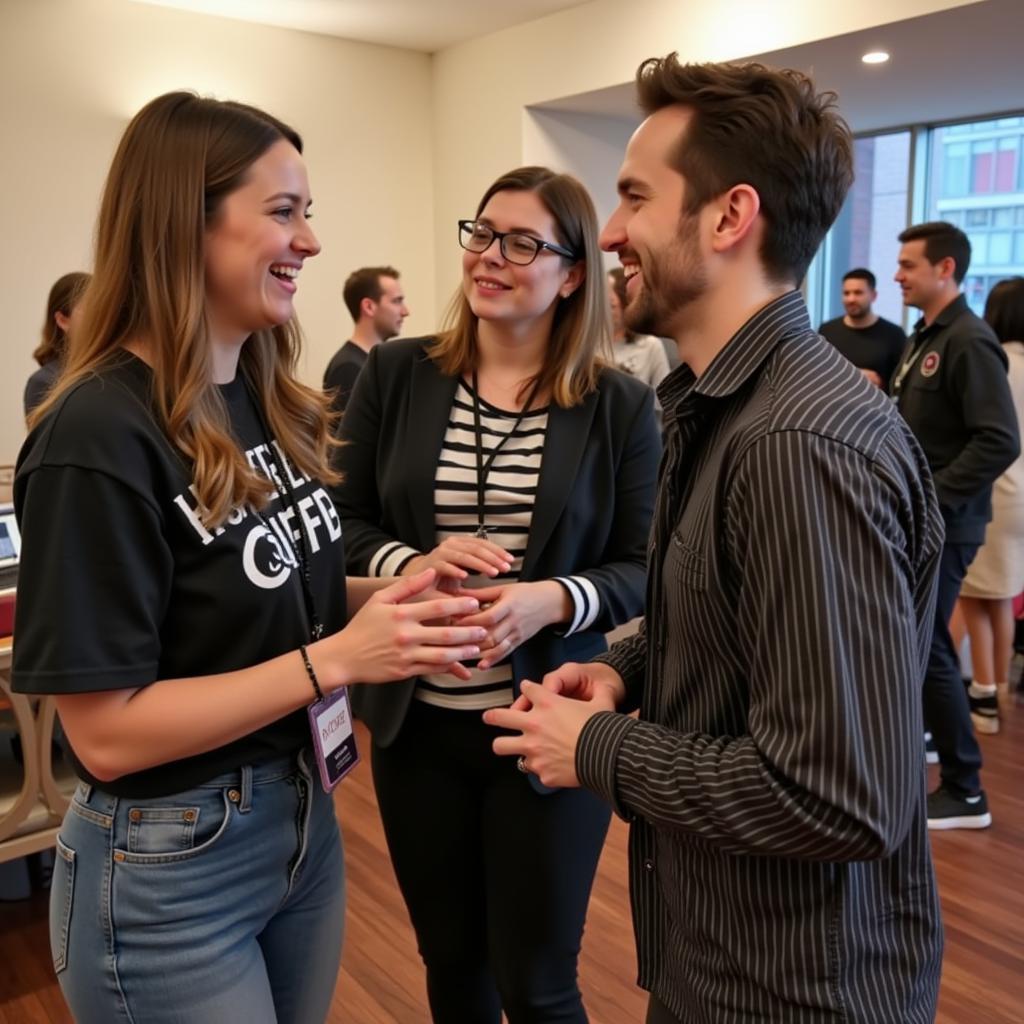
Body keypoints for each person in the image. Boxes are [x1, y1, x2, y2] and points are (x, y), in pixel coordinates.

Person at [485, 56, 946, 1023]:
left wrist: (599, 746)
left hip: (794, 989)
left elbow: (837, 793)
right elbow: (734, 611)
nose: (608, 232)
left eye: (635, 198)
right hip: (725, 955)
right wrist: (628, 668)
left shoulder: (793, 443)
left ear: (730, 218)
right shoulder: (724, 407)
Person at [11, 91, 485, 1024]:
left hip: (299, 819)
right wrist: (336, 662)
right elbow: (104, 733)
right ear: (184, 220)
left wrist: (391, 593)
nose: (311, 242)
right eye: (284, 211)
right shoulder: (97, 433)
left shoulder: (256, 397)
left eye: (306, 213)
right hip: (168, 862)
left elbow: (262, 592)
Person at [335, 166, 660, 1023]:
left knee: (540, 981)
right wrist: (415, 565)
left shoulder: (619, 406)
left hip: (545, 727)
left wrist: (547, 599)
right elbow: (344, 525)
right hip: (418, 727)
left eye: (523, 243)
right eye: (481, 233)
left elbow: (642, 564)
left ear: (575, 271)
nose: (490, 256)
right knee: (451, 964)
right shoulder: (397, 375)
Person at [892, 221, 1019, 829]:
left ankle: (966, 787)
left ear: (945, 270)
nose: (898, 275)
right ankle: (938, 741)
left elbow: (999, 439)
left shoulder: (968, 341)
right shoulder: (924, 336)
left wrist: (930, 500)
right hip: (923, 522)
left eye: (909, 265)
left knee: (931, 646)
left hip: (947, 523)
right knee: (923, 643)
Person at [953, 277, 1024, 735]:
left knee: (972, 600)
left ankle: (982, 704)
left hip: (996, 494)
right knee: (1000, 600)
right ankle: (999, 692)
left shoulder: (996, 364)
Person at [322, 265, 408, 415]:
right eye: (396, 301)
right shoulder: (348, 369)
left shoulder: (372, 364)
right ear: (369, 307)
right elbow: (346, 437)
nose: (405, 311)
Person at [818, 267, 906, 388]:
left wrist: (880, 383)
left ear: (873, 295)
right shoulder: (826, 330)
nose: (851, 299)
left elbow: (902, 385)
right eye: (846, 293)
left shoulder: (894, 334)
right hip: (833, 405)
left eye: (858, 293)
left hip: (876, 405)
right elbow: (818, 374)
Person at [24, 272, 90, 416]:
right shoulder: (43, 382)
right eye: (90, 310)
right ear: (63, 320)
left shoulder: (110, 370)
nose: (101, 319)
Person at [607, 266, 671, 387]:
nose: (601, 310)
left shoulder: (650, 346)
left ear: (627, 305)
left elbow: (663, 398)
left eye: (611, 305)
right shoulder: (589, 344)